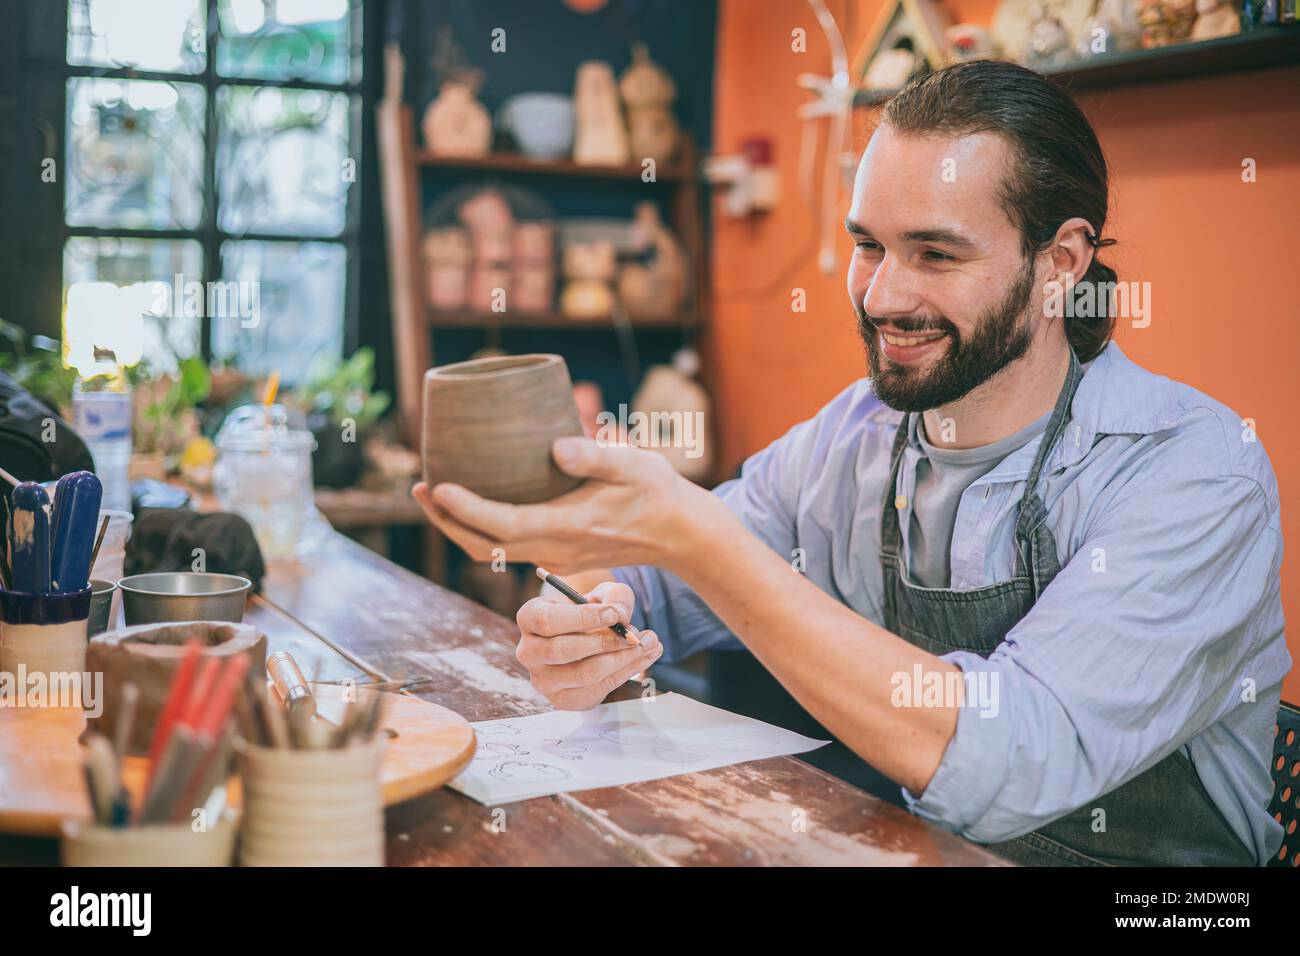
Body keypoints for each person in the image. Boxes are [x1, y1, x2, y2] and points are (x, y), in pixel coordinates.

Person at [414, 60, 1289, 866]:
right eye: (869, 245)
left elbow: (1018, 760)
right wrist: (596, 610)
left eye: (936, 254)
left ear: (1059, 263)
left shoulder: (1194, 473)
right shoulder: (860, 432)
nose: (881, 296)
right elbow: (670, 578)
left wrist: (698, 540)